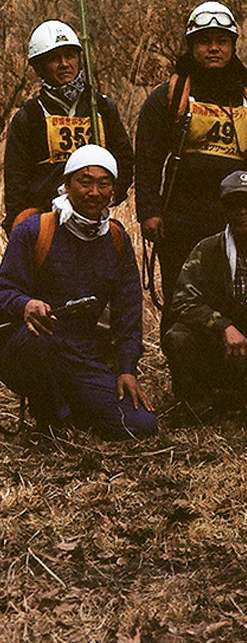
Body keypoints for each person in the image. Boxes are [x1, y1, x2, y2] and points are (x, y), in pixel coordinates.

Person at [135, 1, 247, 332]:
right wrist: (149, 212)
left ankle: (228, 364)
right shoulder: (170, 96)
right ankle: (183, 368)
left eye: (222, 41)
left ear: (233, 45)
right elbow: (146, 158)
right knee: (182, 293)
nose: (214, 48)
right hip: (180, 217)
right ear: (192, 46)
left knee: (231, 292)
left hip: (235, 216)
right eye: (205, 41)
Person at [0, 146, 157, 439]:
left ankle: (73, 404)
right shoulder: (35, 230)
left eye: (104, 183)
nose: (94, 192)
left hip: (81, 354)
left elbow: (128, 310)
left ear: (113, 191)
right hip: (28, 349)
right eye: (85, 181)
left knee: (141, 426)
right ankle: (52, 417)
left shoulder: (116, 238)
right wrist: (25, 304)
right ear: (67, 184)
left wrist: (126, 369)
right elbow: (4, 290)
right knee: (36, 343)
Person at [163, 170, 247, 417]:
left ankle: (239, 396)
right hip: (220, 347)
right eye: (233, 204)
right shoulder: (207, 249)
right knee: (178, 336)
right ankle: (198, 405)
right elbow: (183, 301)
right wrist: (223, 326)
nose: (242, 212)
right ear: (223, 210)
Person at [3, 20, 134, 233]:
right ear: (40, 66)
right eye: (54, 59)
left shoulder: (102, 108)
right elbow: (15, 178)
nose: (64, 64)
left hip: (94, 219)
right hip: (45, 220)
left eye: (70, 56)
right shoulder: (30, 115)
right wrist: (17, 226)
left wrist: (111, 195)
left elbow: (124, 158)